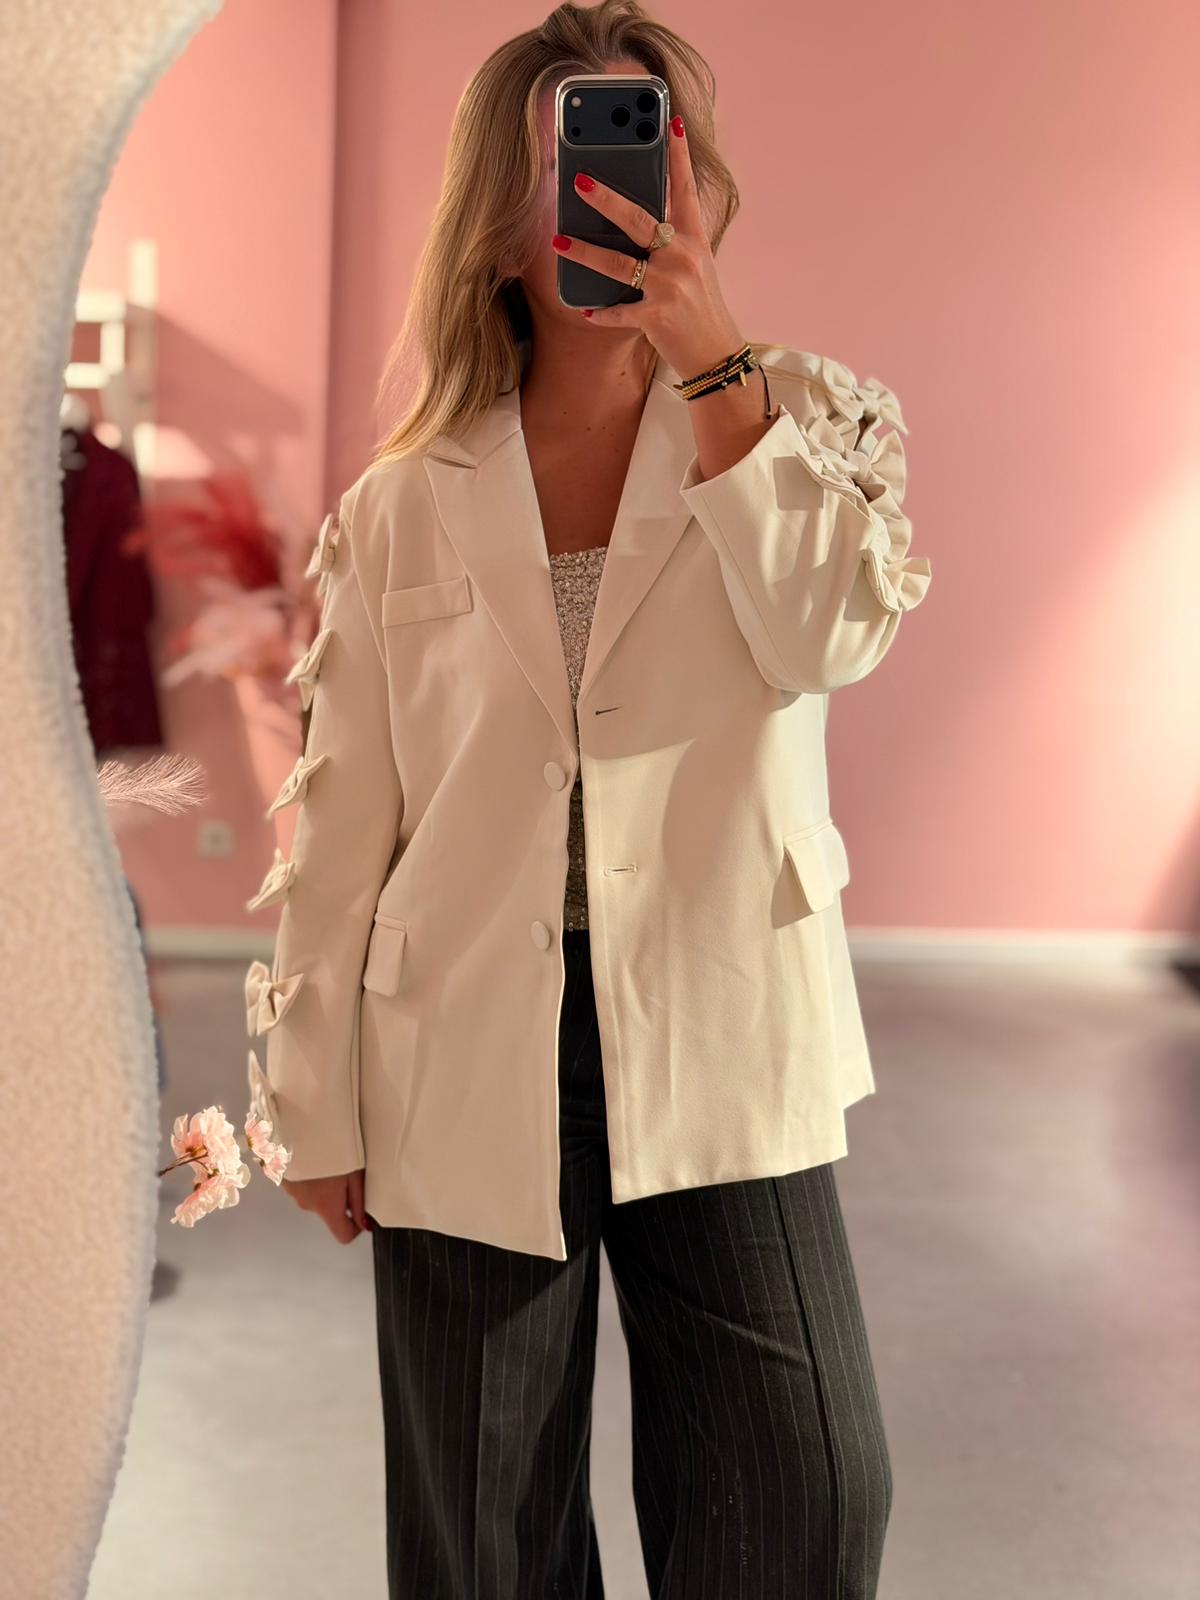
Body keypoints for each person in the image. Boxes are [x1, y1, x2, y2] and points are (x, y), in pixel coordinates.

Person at [248, 2, 932, 1594]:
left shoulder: (805, 424)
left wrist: (716, 364)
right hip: (458, 1041)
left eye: (648, 155)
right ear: (501, 213)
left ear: (699, 186)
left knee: (807, 1493)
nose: (611, 197)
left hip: (723, 1012)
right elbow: (344, 822)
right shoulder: (401, 503)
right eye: (568, 163)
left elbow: (830, 637)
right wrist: (309, 1096)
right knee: (483, 1535)